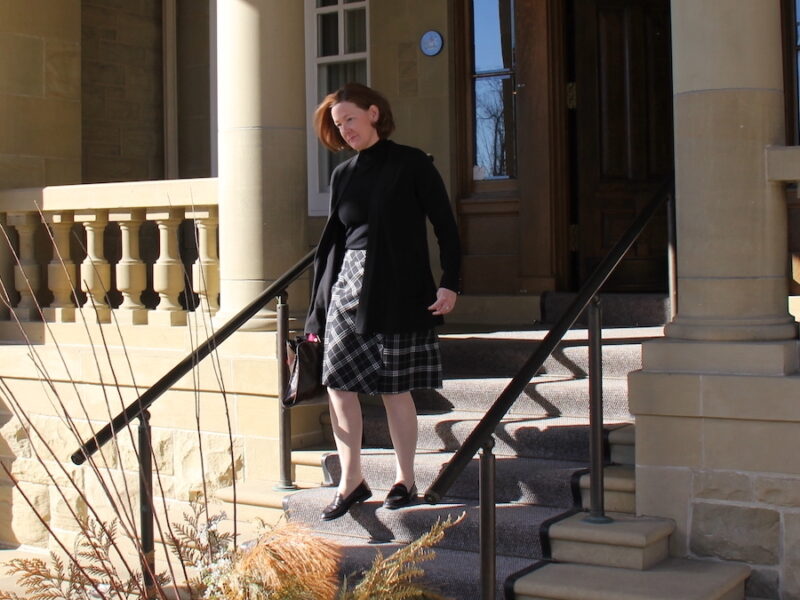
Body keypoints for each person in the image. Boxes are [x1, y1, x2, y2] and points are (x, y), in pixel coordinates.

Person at [305, 82, 461, 521]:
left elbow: (445, 225)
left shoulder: (412, 163)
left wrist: (451, 283)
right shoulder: (343, 175)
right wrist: (317, 309)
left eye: (350, 119)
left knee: (395, 388)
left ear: (374, 113)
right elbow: (333, 245)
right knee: (337, 382)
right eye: (338, 125)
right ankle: (351, 479)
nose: (345, 130)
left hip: (398, 284)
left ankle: (404, 478)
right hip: (348, 286)